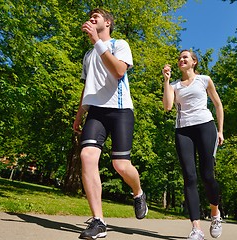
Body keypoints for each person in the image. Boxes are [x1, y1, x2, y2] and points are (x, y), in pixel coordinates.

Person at [73, 8, 148, 240]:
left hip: (120, 110)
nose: (91, 18)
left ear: (107, 22)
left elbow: (118, 71)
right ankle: (99, 221)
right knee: (86, 156)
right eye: (90, 16)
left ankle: (138, 193)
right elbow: (87, 88)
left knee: (121, 165)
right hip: (95, 112)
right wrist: (78, 116)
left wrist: (97, 42)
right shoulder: (88, 55)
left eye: (96, 16)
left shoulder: (119, 44)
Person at [162, 50, 224, 239]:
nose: (181, 60)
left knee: (207, 175)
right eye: (180, 58)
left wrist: (220, 131)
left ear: (194, 62)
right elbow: (167, 107)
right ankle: (196, 228)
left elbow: (218, 104)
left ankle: (215, 213)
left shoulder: (204, 80)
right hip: (183, 130)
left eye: (185, 57)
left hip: (205, 126)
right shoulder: (174, 85)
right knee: (189, 177)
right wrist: (166, 81)